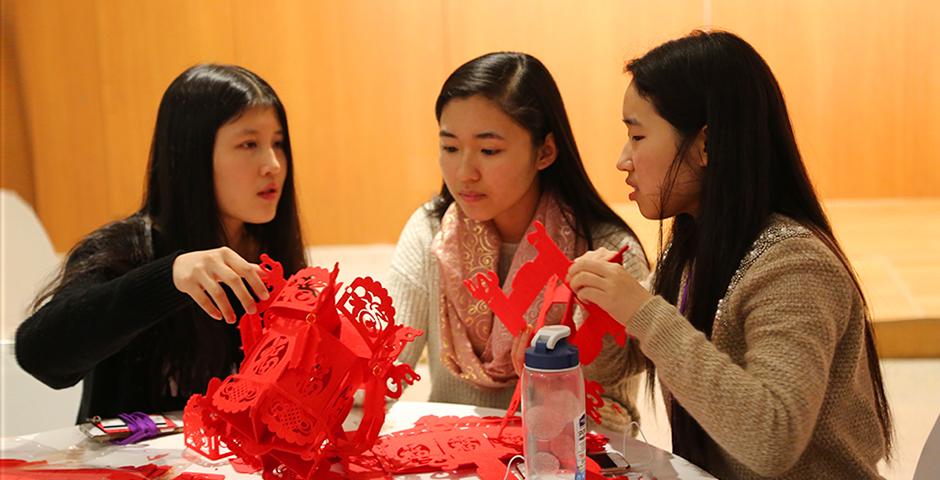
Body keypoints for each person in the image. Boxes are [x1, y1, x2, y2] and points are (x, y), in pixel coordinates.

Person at [566, 31, 893, 478]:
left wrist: (641, 311)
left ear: (706, 145)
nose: (624, 159)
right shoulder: (693, 247)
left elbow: (771, 439)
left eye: (638, 136)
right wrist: (601, 313)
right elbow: (612, 369)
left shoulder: (794, 266)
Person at [15, 64, 307, 422]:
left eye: (278, 143)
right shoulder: (125, 249)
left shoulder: (271, 258)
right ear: (191, 156)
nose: (273, 164)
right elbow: (39, 355)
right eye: (249, 144)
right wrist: (167, 277)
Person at [389, 52, 649, 429]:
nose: (464, 173)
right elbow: (383, 374)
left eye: (489, 150)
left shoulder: (605, 252)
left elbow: (612, 418)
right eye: (449, 148)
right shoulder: (430, 230)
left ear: (544, 151)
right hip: (449, 458)